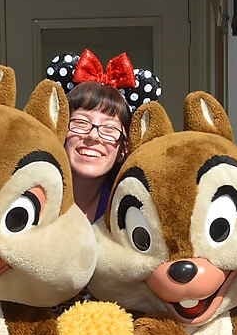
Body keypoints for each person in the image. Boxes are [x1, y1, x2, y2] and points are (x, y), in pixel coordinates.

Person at [45, 49, 162, 220]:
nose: (93, 136)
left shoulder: (132, 213)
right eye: (81, 123)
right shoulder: (35, 200)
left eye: (109, 129)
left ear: (123, 148)